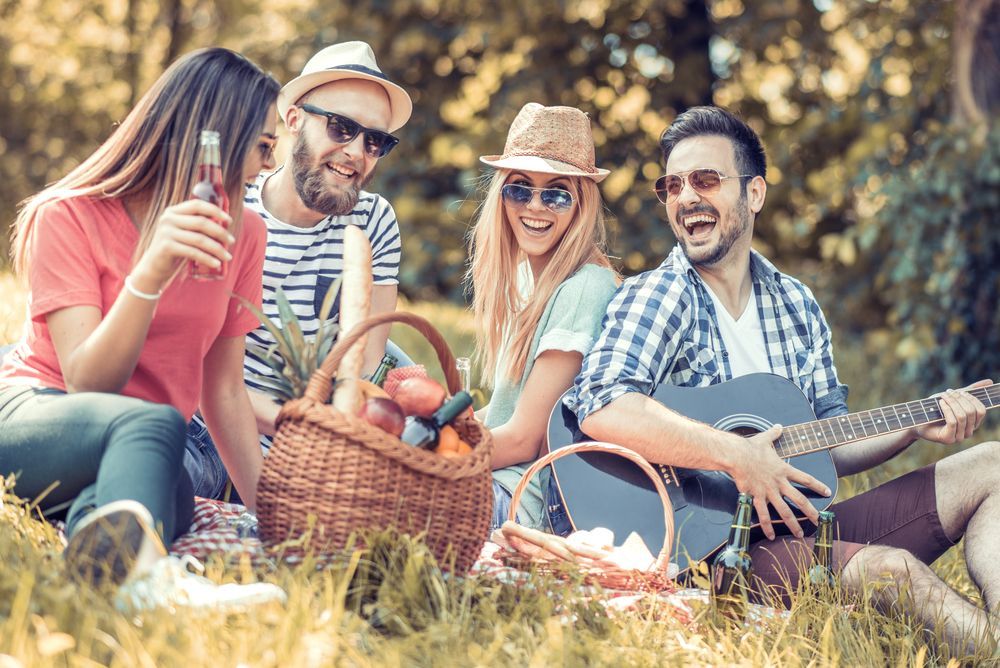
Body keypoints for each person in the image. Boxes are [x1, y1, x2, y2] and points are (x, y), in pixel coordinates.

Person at [569, 105, 999, 651]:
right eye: (671, 185)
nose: (685, 198)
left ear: (754, 194)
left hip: (797, 528)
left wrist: (917, 425)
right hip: (708, 547)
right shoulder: (658, 295)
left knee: (992, 463)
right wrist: (736, 456)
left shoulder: (795, 303)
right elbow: (604, 406)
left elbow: (830, 441)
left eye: (705, 180)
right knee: (894, 572)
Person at [0, 48, 285, 609]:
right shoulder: (70, 215)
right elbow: (86, 379)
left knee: (158, 490)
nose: (267, 166)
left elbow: (223, 389)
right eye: (263, 146)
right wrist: (149, 272)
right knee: (152, 429)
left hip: (151, 446)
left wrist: (277, 524)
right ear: (216, 141)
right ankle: (154, 583)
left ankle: (114, 582)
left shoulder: (245, 232)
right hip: (38, 415)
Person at [183, 41, 413, 501]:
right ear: (293, 120)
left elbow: (364, 362)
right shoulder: (228, 204)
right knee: (162, 484)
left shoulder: (373, 222)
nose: (355, 152)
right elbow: (193, 365)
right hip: (206, 422)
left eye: (375, 141)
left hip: (308, 443)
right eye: (341, 127)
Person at [467, 103, 619, 533]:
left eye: (555, 193)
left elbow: (523, 438)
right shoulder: (526, 282)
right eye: (519, 189)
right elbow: (501, 416)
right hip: (493, 477)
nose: (535, 206)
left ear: (581, 204)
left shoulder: (586, 286)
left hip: (519, 500)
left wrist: (430, 459)